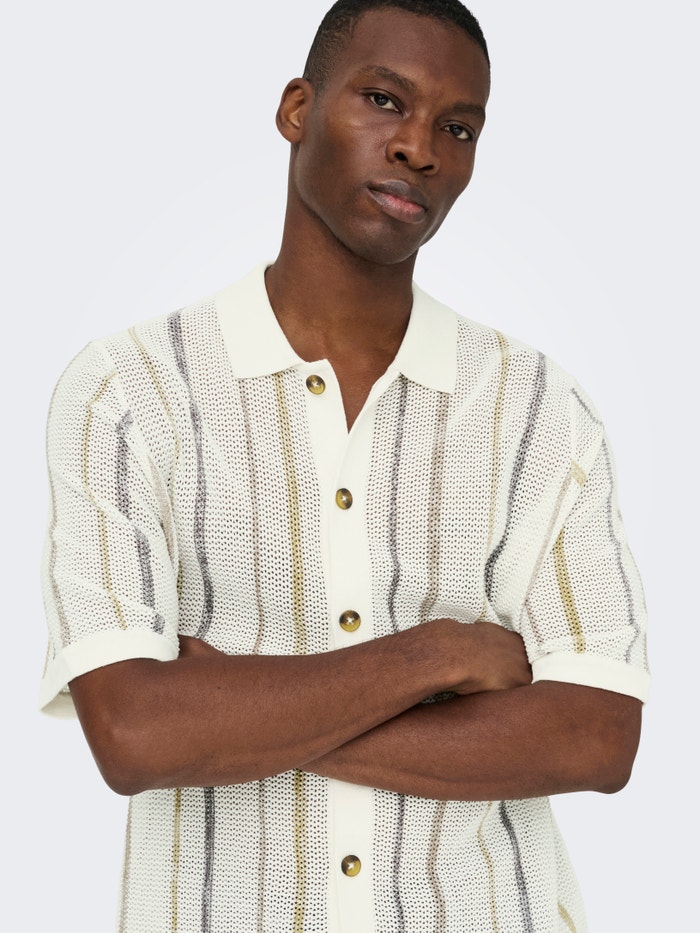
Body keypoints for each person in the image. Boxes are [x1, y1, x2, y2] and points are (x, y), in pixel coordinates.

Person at [39, 1, 649, 930]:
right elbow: (134, 733)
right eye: (383, 100)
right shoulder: (129, 392)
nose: (419, 148)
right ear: (297, 108)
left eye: (458, 128)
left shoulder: (537, 411)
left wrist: (229, 715)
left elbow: (596, 735)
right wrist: (437, 653)